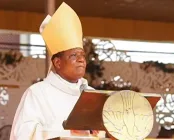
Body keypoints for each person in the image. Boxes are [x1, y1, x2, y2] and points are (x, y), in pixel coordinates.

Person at [10, 2, 104, 140]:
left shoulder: (92, 94)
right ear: (57, 62)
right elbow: (23, 135)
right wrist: (68, 133)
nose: (81, 60)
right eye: (74, 55)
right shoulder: (37, 93)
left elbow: (102, 132)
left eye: (82, 55)